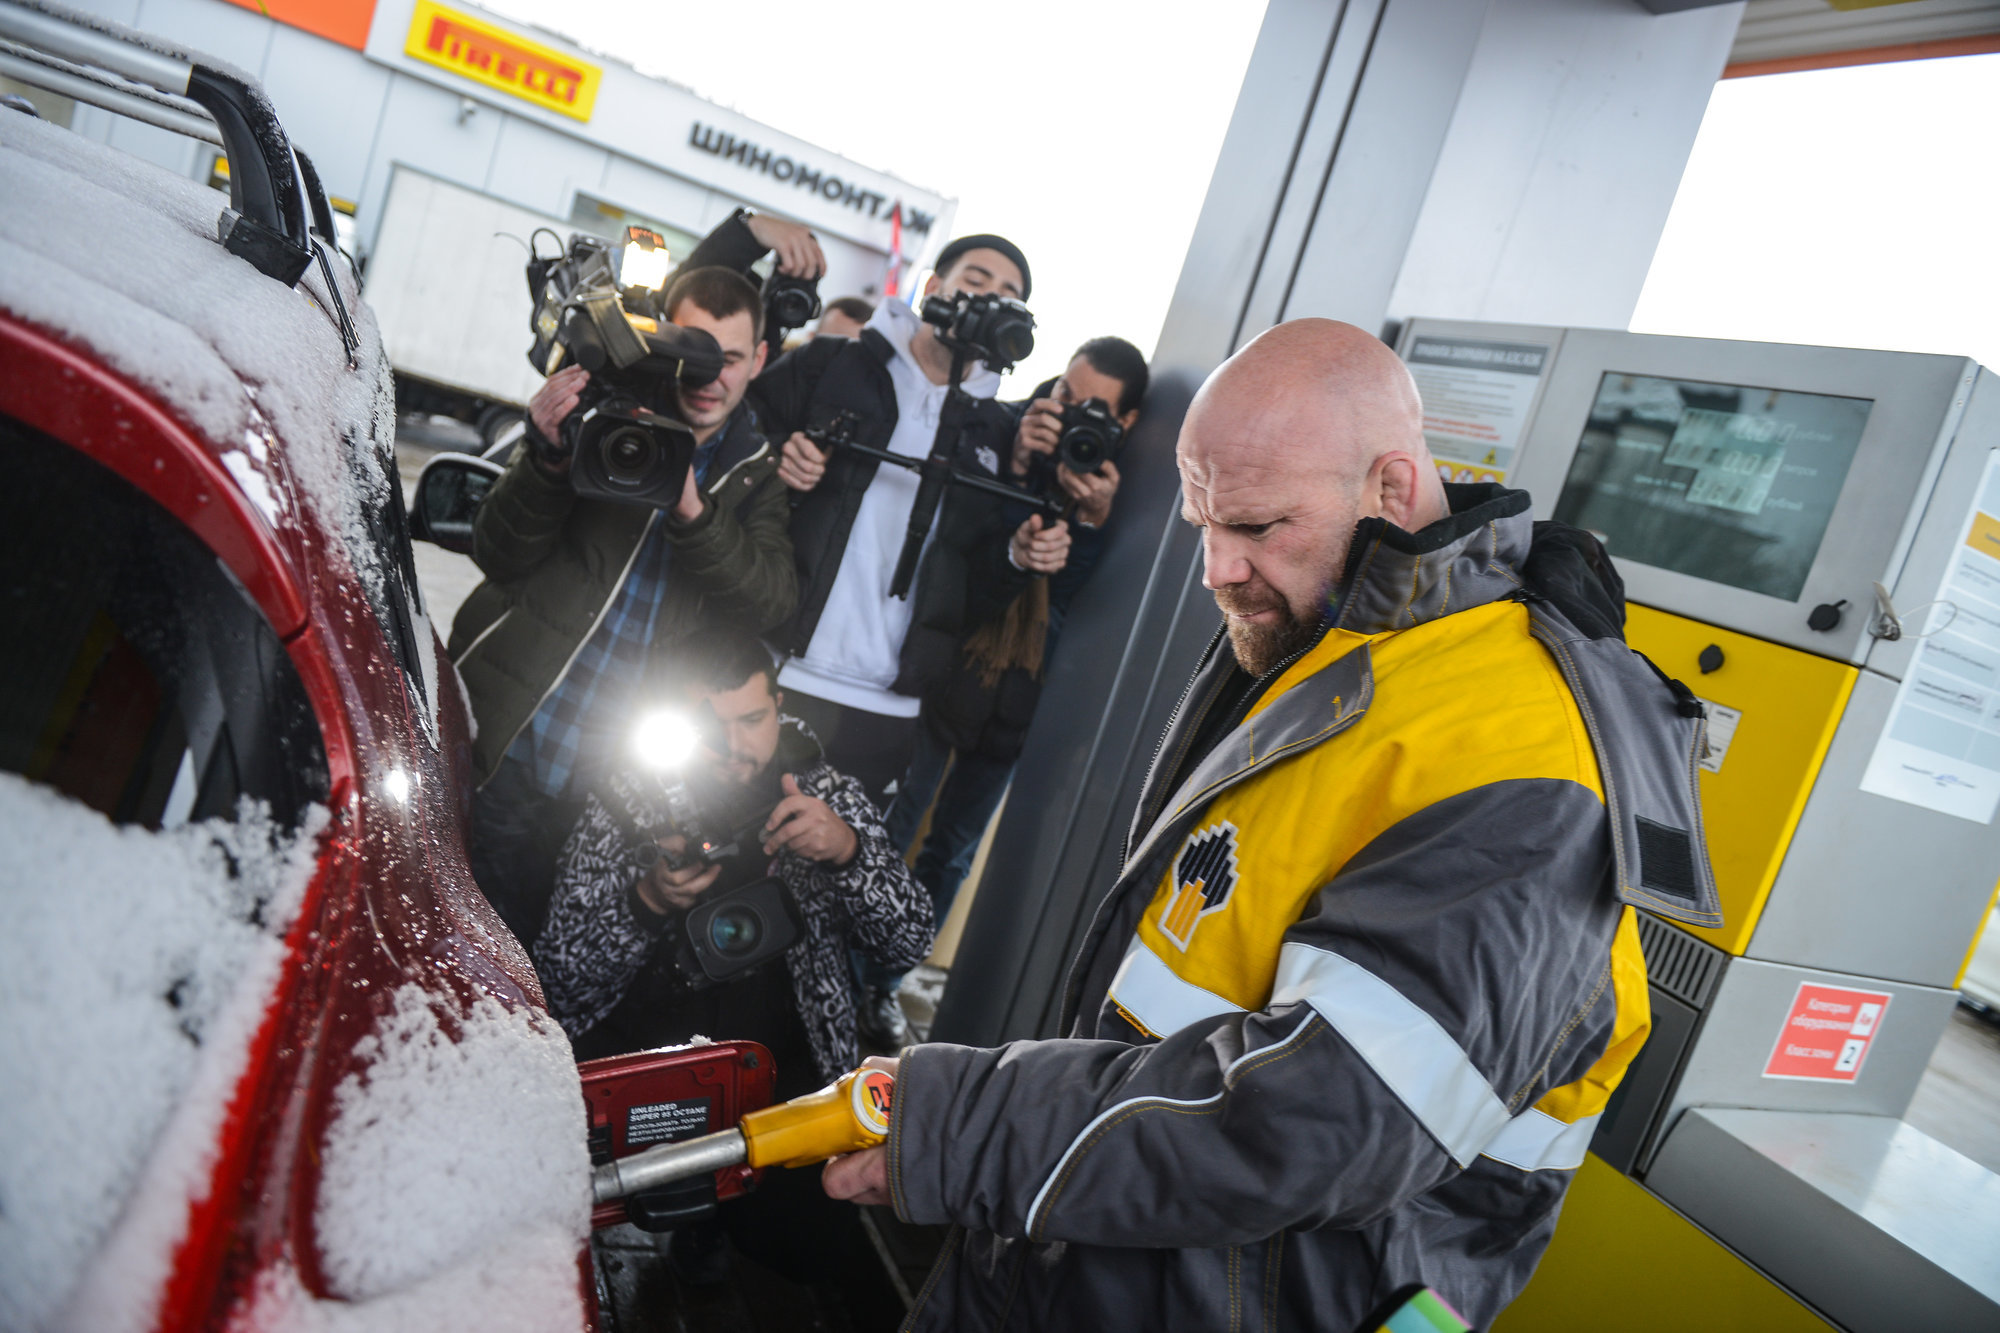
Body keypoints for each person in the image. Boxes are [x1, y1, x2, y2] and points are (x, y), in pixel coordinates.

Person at [823, 319, 1721, 1330]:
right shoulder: (1334, 634)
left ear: (1388, 488)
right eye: (1203, 525)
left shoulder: (1525, 753)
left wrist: (969, 1132)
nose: (1216, 569)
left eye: (1254, 527)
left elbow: (1323, 1117)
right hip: (1113, 1262)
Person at [449, 215, 820, 945]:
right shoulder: (602, 412)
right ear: (657, 338)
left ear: (761, 359)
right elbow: (498, 551)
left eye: (733, 358)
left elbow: (771, 600)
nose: (710, 377)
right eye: (693, 351)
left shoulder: (757, 474)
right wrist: (549, 458)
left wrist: (691, 506)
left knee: (541, 961)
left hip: (619, 784)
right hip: (510, 739)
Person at [535, 632, 930, 1310]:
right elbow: (557, 982)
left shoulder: (825, 789)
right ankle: (664, 1221)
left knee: (812, 1247)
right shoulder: (633, 794)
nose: (736, 746)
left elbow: (910, 940)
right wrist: (648, 901)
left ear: (779, 706)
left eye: (752, 719)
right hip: (652, 1047)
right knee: (557, 1192)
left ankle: (716, 1220)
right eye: (710, 726)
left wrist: (848, 851)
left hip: (787, 1058)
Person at [862, 336, 1146, 1047]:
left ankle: (884, 985)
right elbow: (959, 548)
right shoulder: (1009, 427)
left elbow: (1077, 605)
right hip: (948, 673)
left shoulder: (1119, 482)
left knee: (949, 854)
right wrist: (1020, 464)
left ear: (1129, 421)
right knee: (892, 829)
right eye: (1066, 392)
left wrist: (1095, 524)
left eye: (1095, 408)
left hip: (1020, 701)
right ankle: (843, 962)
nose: (1071, 411)